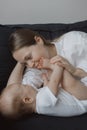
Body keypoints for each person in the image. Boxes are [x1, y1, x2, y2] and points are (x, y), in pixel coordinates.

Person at [0, 58, 87, 119]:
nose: (27, 84)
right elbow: (54, 82)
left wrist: (45, 80)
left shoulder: (39, 103)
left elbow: (48, 91)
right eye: (24, 86)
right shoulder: (42, 103)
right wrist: (55, 66)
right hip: (81, 99)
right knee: (64, 78)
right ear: (28, 99)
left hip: (73, 94)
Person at [8, 29, 87, 86]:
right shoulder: (35, 70)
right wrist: (21, 63)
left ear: (39, 40)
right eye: (25, 63)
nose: (30, 65)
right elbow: (12, 95)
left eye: (29, 57)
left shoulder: (76, 41)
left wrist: (75, 72)